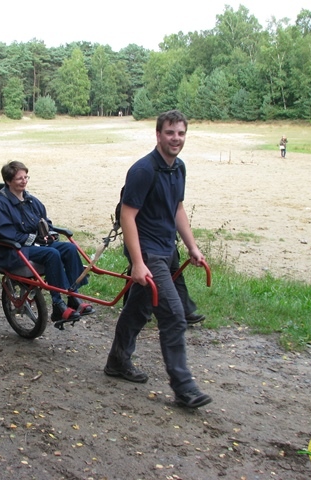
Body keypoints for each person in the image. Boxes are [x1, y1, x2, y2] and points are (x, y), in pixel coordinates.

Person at [105, 110, 212, 409]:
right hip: (148, 252)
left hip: (168, 249)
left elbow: (177, 207)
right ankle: (184, 388)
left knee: (138, 310)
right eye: (170, 133)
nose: (176, 138)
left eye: (180, 133)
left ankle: (117, 361)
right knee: (174, 316)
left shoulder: (179, 169)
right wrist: (137, 262)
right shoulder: (143, 170)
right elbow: (127, 215)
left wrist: (192, 246)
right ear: (158, 135)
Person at [0, 161, 95, 323]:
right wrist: (32, 239)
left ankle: (73, 296)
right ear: (8, 181)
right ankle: (57, 304)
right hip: (14, 250)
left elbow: (45, 222)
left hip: (36, 245)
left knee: (70, 249)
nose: (24, 181)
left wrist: (49, 234)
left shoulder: (31, 199)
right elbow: (6, 234)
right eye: (19, 179)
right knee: (51, 254)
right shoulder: (0, 205)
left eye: (26, 177)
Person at [172, 245, 206, 325]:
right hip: (148, 243)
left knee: (176, 274)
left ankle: (185, 312)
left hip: (168, 243)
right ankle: (142, 311)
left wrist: (193, 248)